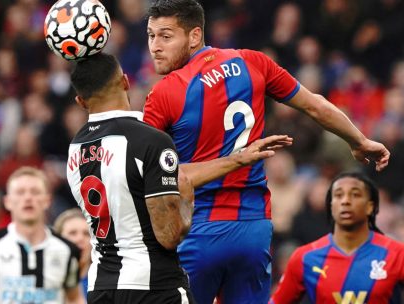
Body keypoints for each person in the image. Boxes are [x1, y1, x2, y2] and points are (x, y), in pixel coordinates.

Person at [143, 1, 390, 303]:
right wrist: (359, 141)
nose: (155, 46)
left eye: (165, 36)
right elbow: (314, 104)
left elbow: (157, 178)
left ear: (195, 36)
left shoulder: (164, 93)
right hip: (254, 230)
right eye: (151, 35)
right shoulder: (252, 62)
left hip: (199, 230)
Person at [65, 52, 292, 304]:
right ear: (126, 82)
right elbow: (169, 234)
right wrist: (186, 203)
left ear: (80, 101)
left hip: (101, 287)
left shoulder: (75, 149)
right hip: (154, 286)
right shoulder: (150, 140)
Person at [0, 166, 84, 304]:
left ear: (47, 201)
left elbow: (75, 298)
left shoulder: (66, 249)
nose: (28, 198)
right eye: (20, 192)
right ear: (7, 202)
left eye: (35, 192)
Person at [270, 172, 404, 303]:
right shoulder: (305, 257)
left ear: (370, 207)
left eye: (355, 195)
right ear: (331, 206)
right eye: (338, 195)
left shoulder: (397, 254)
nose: (345, 201)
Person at [54, 208, 91, 300]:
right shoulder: (48, 279)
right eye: (72, 233)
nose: (80, 238)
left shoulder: (104, 283)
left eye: (86, 234)